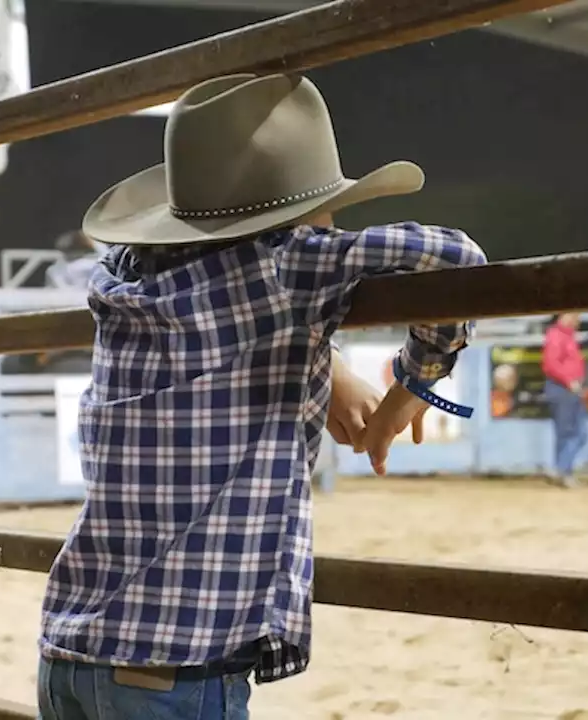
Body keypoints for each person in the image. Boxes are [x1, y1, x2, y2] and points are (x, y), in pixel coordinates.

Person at [36, 73, 486, 720]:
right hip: (176, 669)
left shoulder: (124, 279)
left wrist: (320, 360)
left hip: (69, 655)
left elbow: (225, 319)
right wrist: (412, 384)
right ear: (300, 219)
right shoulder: (286, 265)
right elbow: (455, 256)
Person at [542, 312, 588, 488]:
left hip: (568, 389)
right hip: (562, 389)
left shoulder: (566, 336)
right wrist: (569, 381)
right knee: (575, 432)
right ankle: (562, 470)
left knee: (568, 432)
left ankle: (561, 471)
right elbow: (551, 363)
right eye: (575, 316)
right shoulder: (556, 335)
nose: (578, 319)